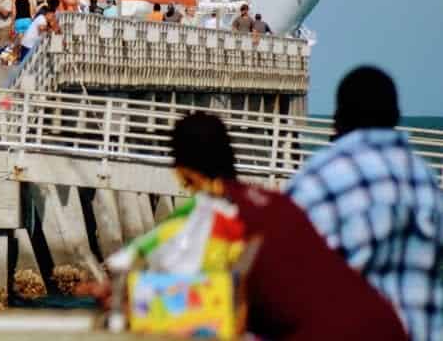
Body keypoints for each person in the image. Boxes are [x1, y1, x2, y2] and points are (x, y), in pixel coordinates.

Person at [168, 112, 406, 341]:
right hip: (384, 323)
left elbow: (214, 307)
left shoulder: (219, 214)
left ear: (185, 173)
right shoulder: (277, 202)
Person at [287, 67, 443, 339]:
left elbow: (283, 266)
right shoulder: (425, 178)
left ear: (338, 118)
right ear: (395, 116)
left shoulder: (321, 177)